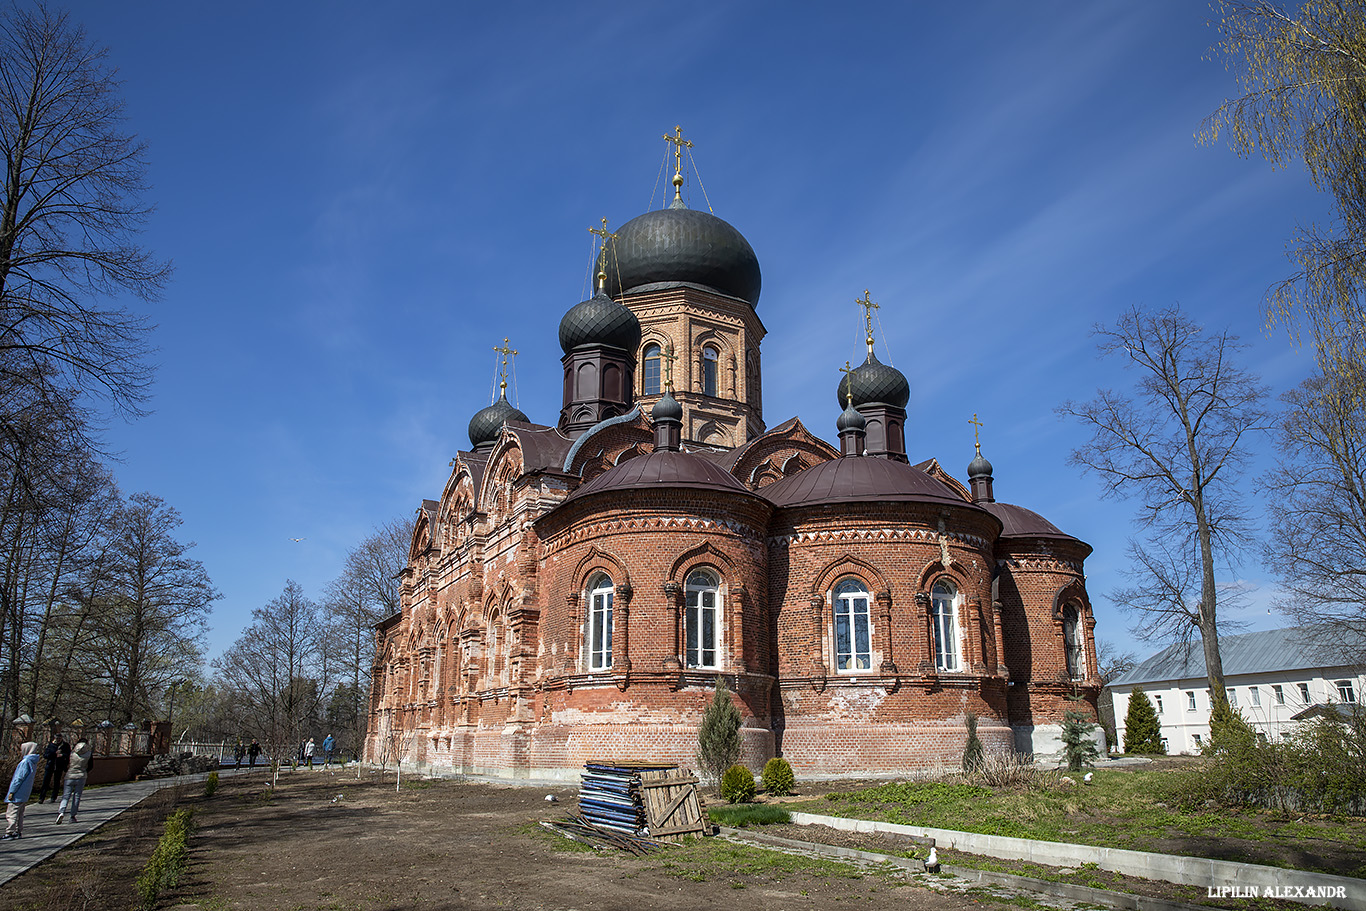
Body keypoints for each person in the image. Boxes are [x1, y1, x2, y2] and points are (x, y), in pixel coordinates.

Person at [4, 741, 40, 839]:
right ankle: (18, 831)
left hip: (18, 792)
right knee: (20, 813)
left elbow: (18, 779)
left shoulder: (25, 762)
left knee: (12, 813)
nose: (20, 751)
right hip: (25, 792)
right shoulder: (33, 762)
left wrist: (12, 791)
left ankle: (10, 832)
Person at [56, 736, 91, 824]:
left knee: (66, 795)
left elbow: (66, 763)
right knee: (77, 796)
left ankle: (61, 811)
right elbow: (90, 766)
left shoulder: (72, 753)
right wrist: (84, 771)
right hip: (81, 776)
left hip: (70, 775)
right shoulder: (88, 754)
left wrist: (67, 770)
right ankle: (72, 816)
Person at [37, 734, 70, 803]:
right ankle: (41, 797)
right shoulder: (51, 745)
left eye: (59, 738)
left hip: (59, 766)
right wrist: (54, 754)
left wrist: (62, 755)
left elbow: (68, 755)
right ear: (55, 738)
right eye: (57, 738)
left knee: (56, 782)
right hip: (50, 765)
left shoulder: (65, 745)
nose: (58, 740)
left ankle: (53, 797)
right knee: (45, 782)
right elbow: (46, 755)